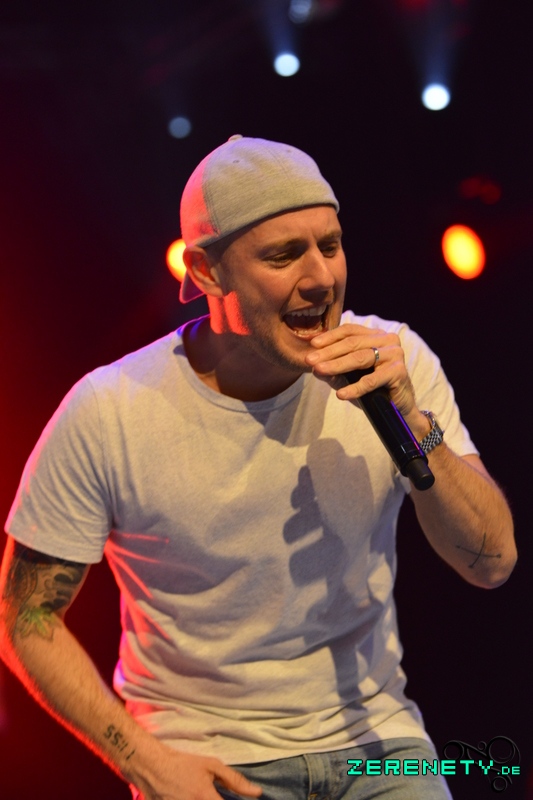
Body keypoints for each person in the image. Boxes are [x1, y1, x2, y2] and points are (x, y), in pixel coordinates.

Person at [0, 135, 516, 800]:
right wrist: (145, 762)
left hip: (375, 745)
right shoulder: (112, 409)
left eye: (329, 245)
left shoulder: (395, 361)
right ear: (206, 272)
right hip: (208, 759)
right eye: (283, 254)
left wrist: (416, 427)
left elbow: (491, 563)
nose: (321, 277)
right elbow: (23, 617)